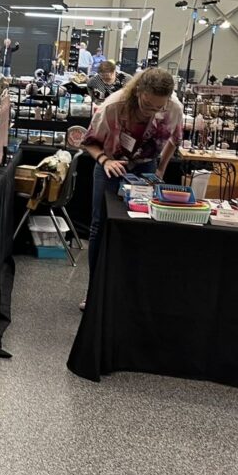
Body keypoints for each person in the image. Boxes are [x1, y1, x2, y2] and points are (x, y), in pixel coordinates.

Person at [80, 68, 183, 305]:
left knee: (141, 228)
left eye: (158, 107)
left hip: (146, 166)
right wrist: (105, 161)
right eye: (147, 105)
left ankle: (131, 291)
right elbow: (89, 142)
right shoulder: (113, 106)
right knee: (100, 227)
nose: (151, 112)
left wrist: (160, 170)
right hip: (111, 166)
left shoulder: (173, 108)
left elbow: (175, 139)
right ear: (138, 91)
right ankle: (94, 291)